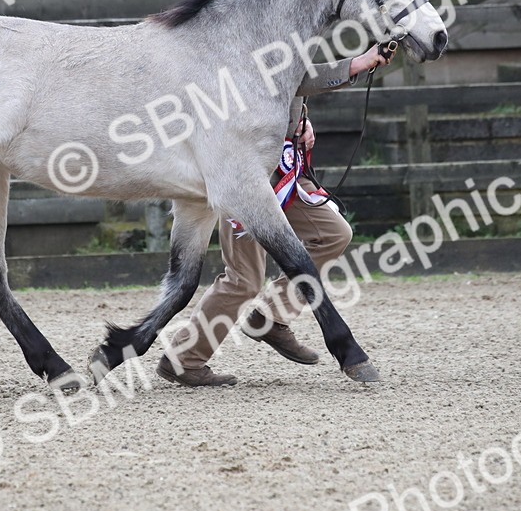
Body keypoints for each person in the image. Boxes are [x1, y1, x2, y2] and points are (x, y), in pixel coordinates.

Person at [158, 44, 394, 386]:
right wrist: (358, 63)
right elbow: (296, 77)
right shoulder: (249, 34)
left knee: (334, 233)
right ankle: (184, 359)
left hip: (278, 171)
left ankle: (271, 316)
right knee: (244, 278)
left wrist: (301, 122)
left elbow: (293, 82)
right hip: (242, 174)